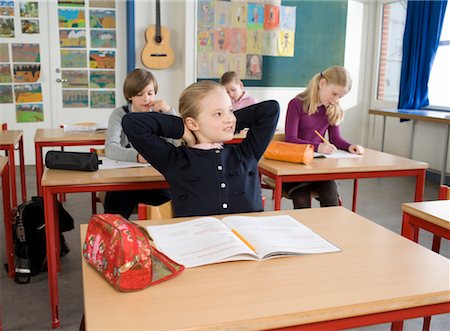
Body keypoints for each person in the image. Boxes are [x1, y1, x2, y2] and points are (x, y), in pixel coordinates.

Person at [122, 80, 279, 217]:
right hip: (201, 245)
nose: (229, 118)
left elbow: (270, 110)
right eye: (218, 114)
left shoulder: (246, 153)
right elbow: (132, 123)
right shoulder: (175, 161)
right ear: (192, 123)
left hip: (249, 245)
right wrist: (182, 129)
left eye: (230, 110)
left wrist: (227, 120)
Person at [284, 65, 364, 209]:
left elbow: (335, 139)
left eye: (340, 96)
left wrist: (349, 146)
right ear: (322, 84)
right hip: (296, 168)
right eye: (334, 94)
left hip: (320, 169)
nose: (336, 99)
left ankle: (327, 231)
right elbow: (290, 139)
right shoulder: (296, 104)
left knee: (331, 199)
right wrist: (318, 146)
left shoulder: (331, 109)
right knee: (302, 202)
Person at [103, 68, 174, 218]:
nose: (146, 99)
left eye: (150, 93)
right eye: (139, 94)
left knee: (171, 209)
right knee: (114, 216)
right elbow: (110, 148)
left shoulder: (159, 113)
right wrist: (138, 156)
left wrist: (169, 112)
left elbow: (177, 142)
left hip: (153, 179)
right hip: (124, 180)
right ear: (130, 96)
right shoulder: (120, 114)